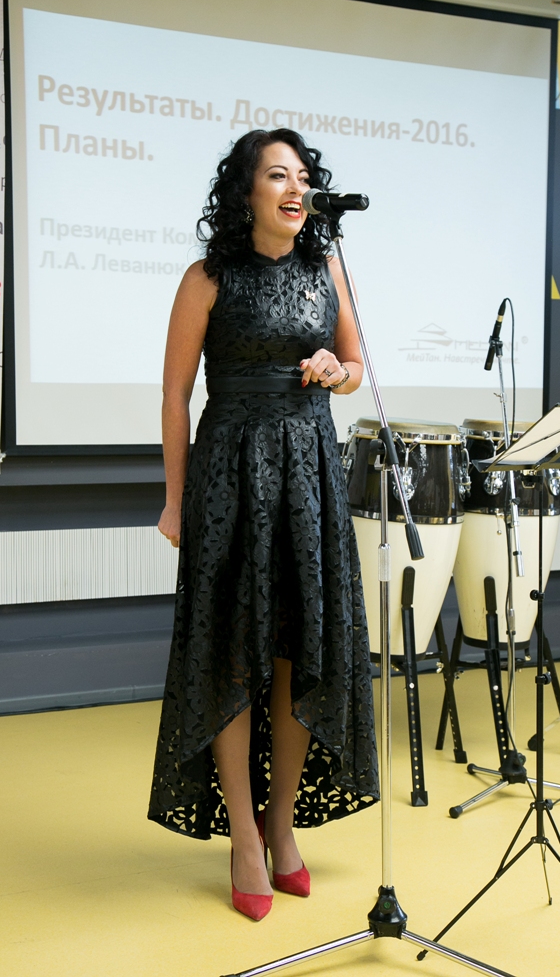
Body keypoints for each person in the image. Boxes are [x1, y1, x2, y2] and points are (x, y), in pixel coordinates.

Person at [149, 128, 379, 921]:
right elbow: (175, 395)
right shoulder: (207, 277)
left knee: (296, 649)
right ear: (245, 191)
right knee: (233, 653)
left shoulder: (328, 266)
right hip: (229, 475)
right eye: (276, 174)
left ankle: (281, 826)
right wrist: (175, 499)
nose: (294, 186)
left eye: (302, 174)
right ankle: (244, 837)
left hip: (309, 472)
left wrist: (335, 372)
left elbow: (355, 368)